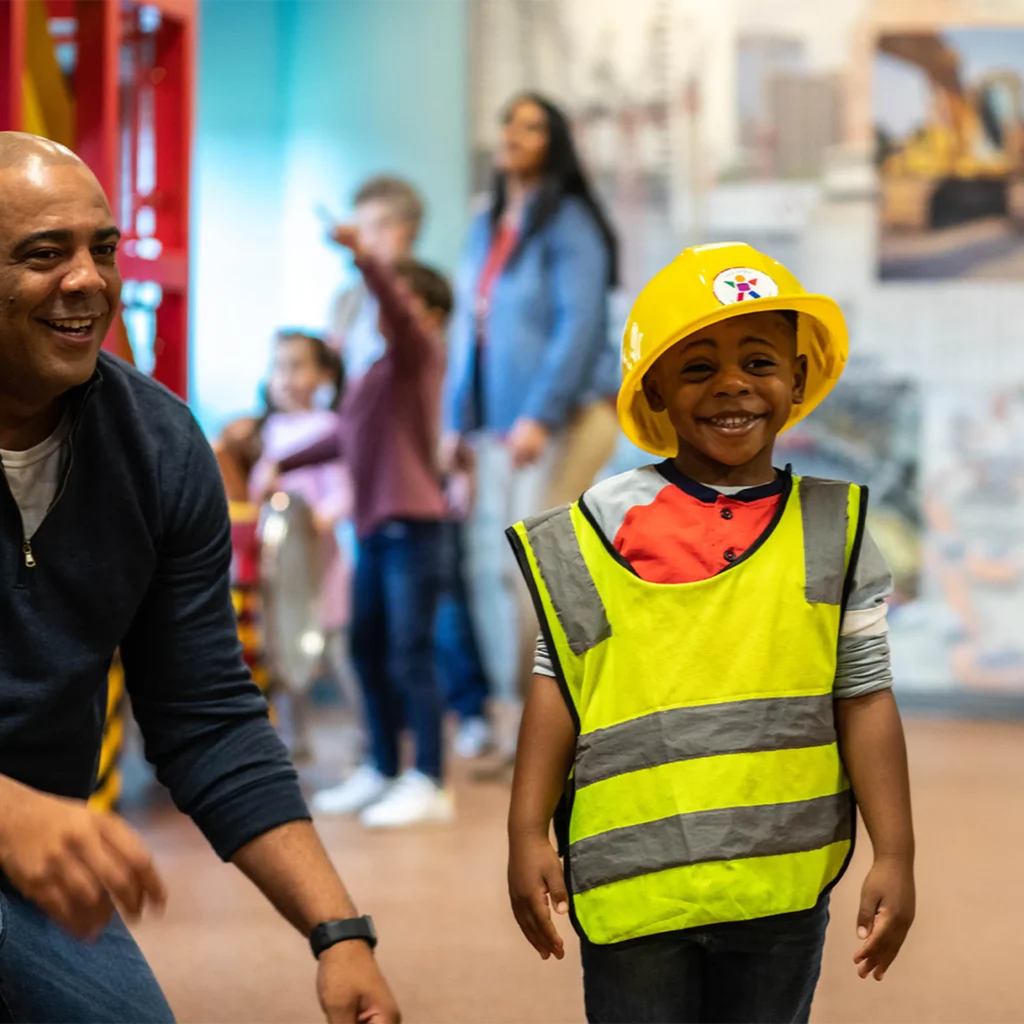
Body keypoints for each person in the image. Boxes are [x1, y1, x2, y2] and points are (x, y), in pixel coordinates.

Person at [0, 132, 398, 1023]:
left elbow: (206, 711)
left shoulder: (158, 447)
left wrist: (339, 932)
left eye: (102, 249)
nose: (88, 281)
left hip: (36, 865)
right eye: (44, 254)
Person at [505, 243, 916, 1023]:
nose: (732, 384)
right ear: (655, 387)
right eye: (698, 368)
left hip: (778, 884)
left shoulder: (835, 527)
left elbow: (865, 696)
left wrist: (896, 851)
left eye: (759, 362)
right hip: (635, 883)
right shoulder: (603, 526)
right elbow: (558, 683)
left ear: (798, 376)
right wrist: (526, 830)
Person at [445, 92, 622, 732]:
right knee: (504, 569)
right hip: (501, 424)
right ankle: (527, 713)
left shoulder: (570, 222)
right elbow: (468, 330)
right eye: (508, 123)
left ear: (555, 143)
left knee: (537, 569)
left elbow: (580, 326)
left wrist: (542, 415)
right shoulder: (486, 224)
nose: (513, 135)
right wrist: (453, 421)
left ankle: (560, 718)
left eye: (532, 127)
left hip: (568, 417)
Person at [274, 227, 454, 828]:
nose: (388, 304)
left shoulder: (419, 355)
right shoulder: (379, 370)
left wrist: (367, 258)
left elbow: (398, 313)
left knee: (410, 654)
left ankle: (430, 780)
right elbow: (344, 436)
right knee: (367, 650)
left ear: (428, 313)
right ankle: (382, 766)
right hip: (378, 529)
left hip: (414, 525)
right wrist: (281, 462)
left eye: (401, 296)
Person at [333, 175, 493, 757]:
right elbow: (347, 418)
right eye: (362, 228)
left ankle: (447, 741)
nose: (369, 237)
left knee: (422, 634)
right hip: (374, 505)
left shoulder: (419, 328)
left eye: (378, 226)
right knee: (374, 642)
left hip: (417, 499)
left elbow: (427, 349)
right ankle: (386, 756)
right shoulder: (362, 324)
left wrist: (461, 454)